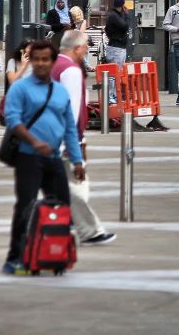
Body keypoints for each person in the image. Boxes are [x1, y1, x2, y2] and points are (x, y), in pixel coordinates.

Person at [2, 40, 84, 274]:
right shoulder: (20, 88)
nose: (39, 63)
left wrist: (77, 160)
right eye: (35, 58)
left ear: (52, 61)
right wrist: (35, 142)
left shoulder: (59, 91)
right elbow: (13, 120)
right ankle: (15, 257)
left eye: (45, 59)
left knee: (63, 206)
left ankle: (56, 253)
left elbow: (69, 126)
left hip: (54, 158)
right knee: (25, 207)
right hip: (28, 158)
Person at [54, 30, 116, 245]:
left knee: (64, 186)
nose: (86, 53)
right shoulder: (70, 71)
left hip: (50, 136)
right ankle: (89, 231)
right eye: (85, 49)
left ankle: (64, 222)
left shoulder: (53, 66)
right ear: (77, 48)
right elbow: (71, 109)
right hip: (66, 138)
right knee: (77, 187)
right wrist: (74, 143)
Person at [104, 0, 130, 67]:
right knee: (117, 72)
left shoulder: (115, 15)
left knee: (116, 73)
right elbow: (125, 26)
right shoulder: (114, 16)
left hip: (116, 48)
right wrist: (127, 15)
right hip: (116, 49)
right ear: (122, 6)